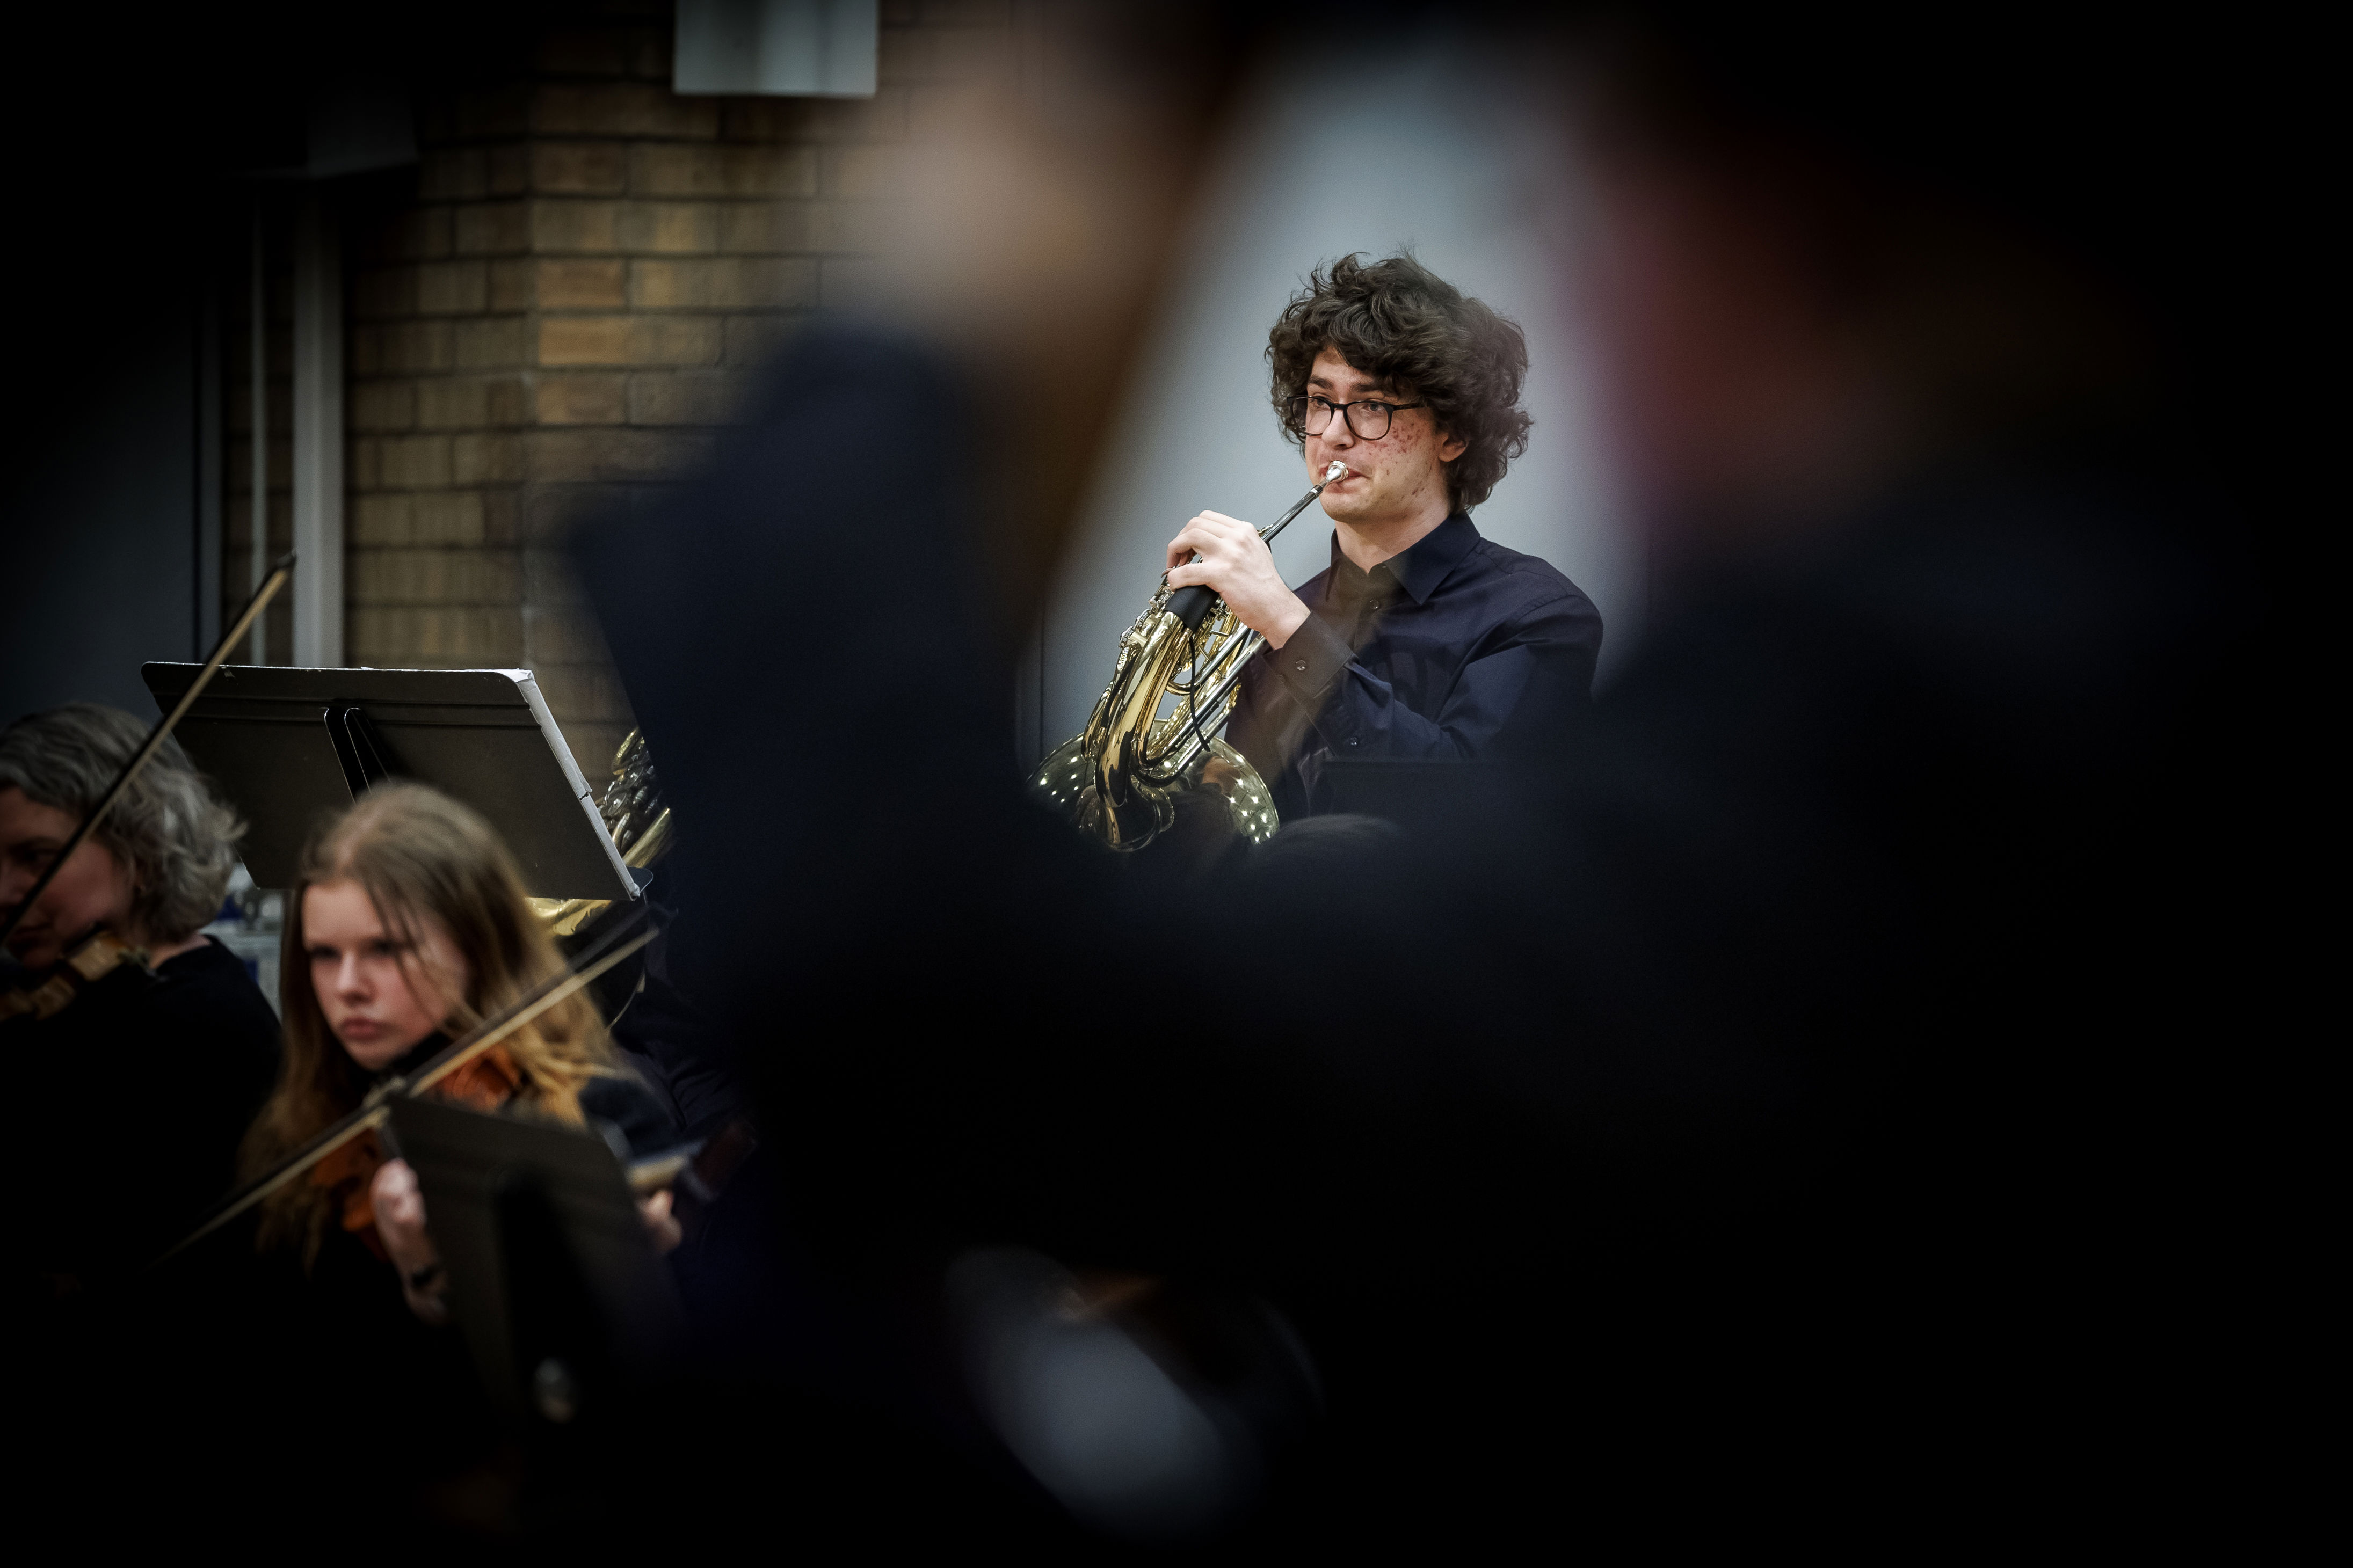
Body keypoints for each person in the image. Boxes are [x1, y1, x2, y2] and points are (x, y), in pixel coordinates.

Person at [1168, 253, 1603, 820]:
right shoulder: (1276, 624)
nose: (1332, 434)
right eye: (1320, 401)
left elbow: (1466, 809)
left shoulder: (1539, 616)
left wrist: (1290, 629)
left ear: (1453, 433)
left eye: (1371, 405)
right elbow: (1248, 826)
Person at [242, 782, 680, 1325]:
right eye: (325, 954)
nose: (347, 985)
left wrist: (436, 1278)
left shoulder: (602, 1115)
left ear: (476, 942)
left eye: (384, 948)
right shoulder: (306, 1126)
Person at [0, 704, 279, 1291]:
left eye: (36, 857)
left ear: (142, 855)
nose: (5, 891)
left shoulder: (193, 1026)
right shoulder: (60, 992)